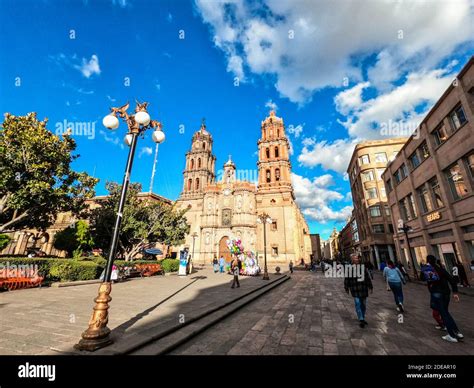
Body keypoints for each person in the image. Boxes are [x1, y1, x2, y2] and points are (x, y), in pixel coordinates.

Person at [421, 255, 463, 343]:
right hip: (446, 293)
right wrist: (455, 292)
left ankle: (451, 335)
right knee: (446, 312)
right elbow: (451, 280)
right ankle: (457, 332)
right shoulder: (441, 269)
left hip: (437, 293)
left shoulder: (427, 269)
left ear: (428, 261)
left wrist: (424, 268)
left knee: (443, 314)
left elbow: (422, 278)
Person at [344, 253, 373, 328]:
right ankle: (361, 319)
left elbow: (367, 278)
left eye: (357, 259)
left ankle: (362, 317)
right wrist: (346, 287)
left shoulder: (363, 268)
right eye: (355, 259)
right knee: (357, 303)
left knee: (363, 304)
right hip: (355, 288)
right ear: (352, 260)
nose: (356, 260)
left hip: (363, 288)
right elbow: (347, 279)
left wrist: (370, 286)